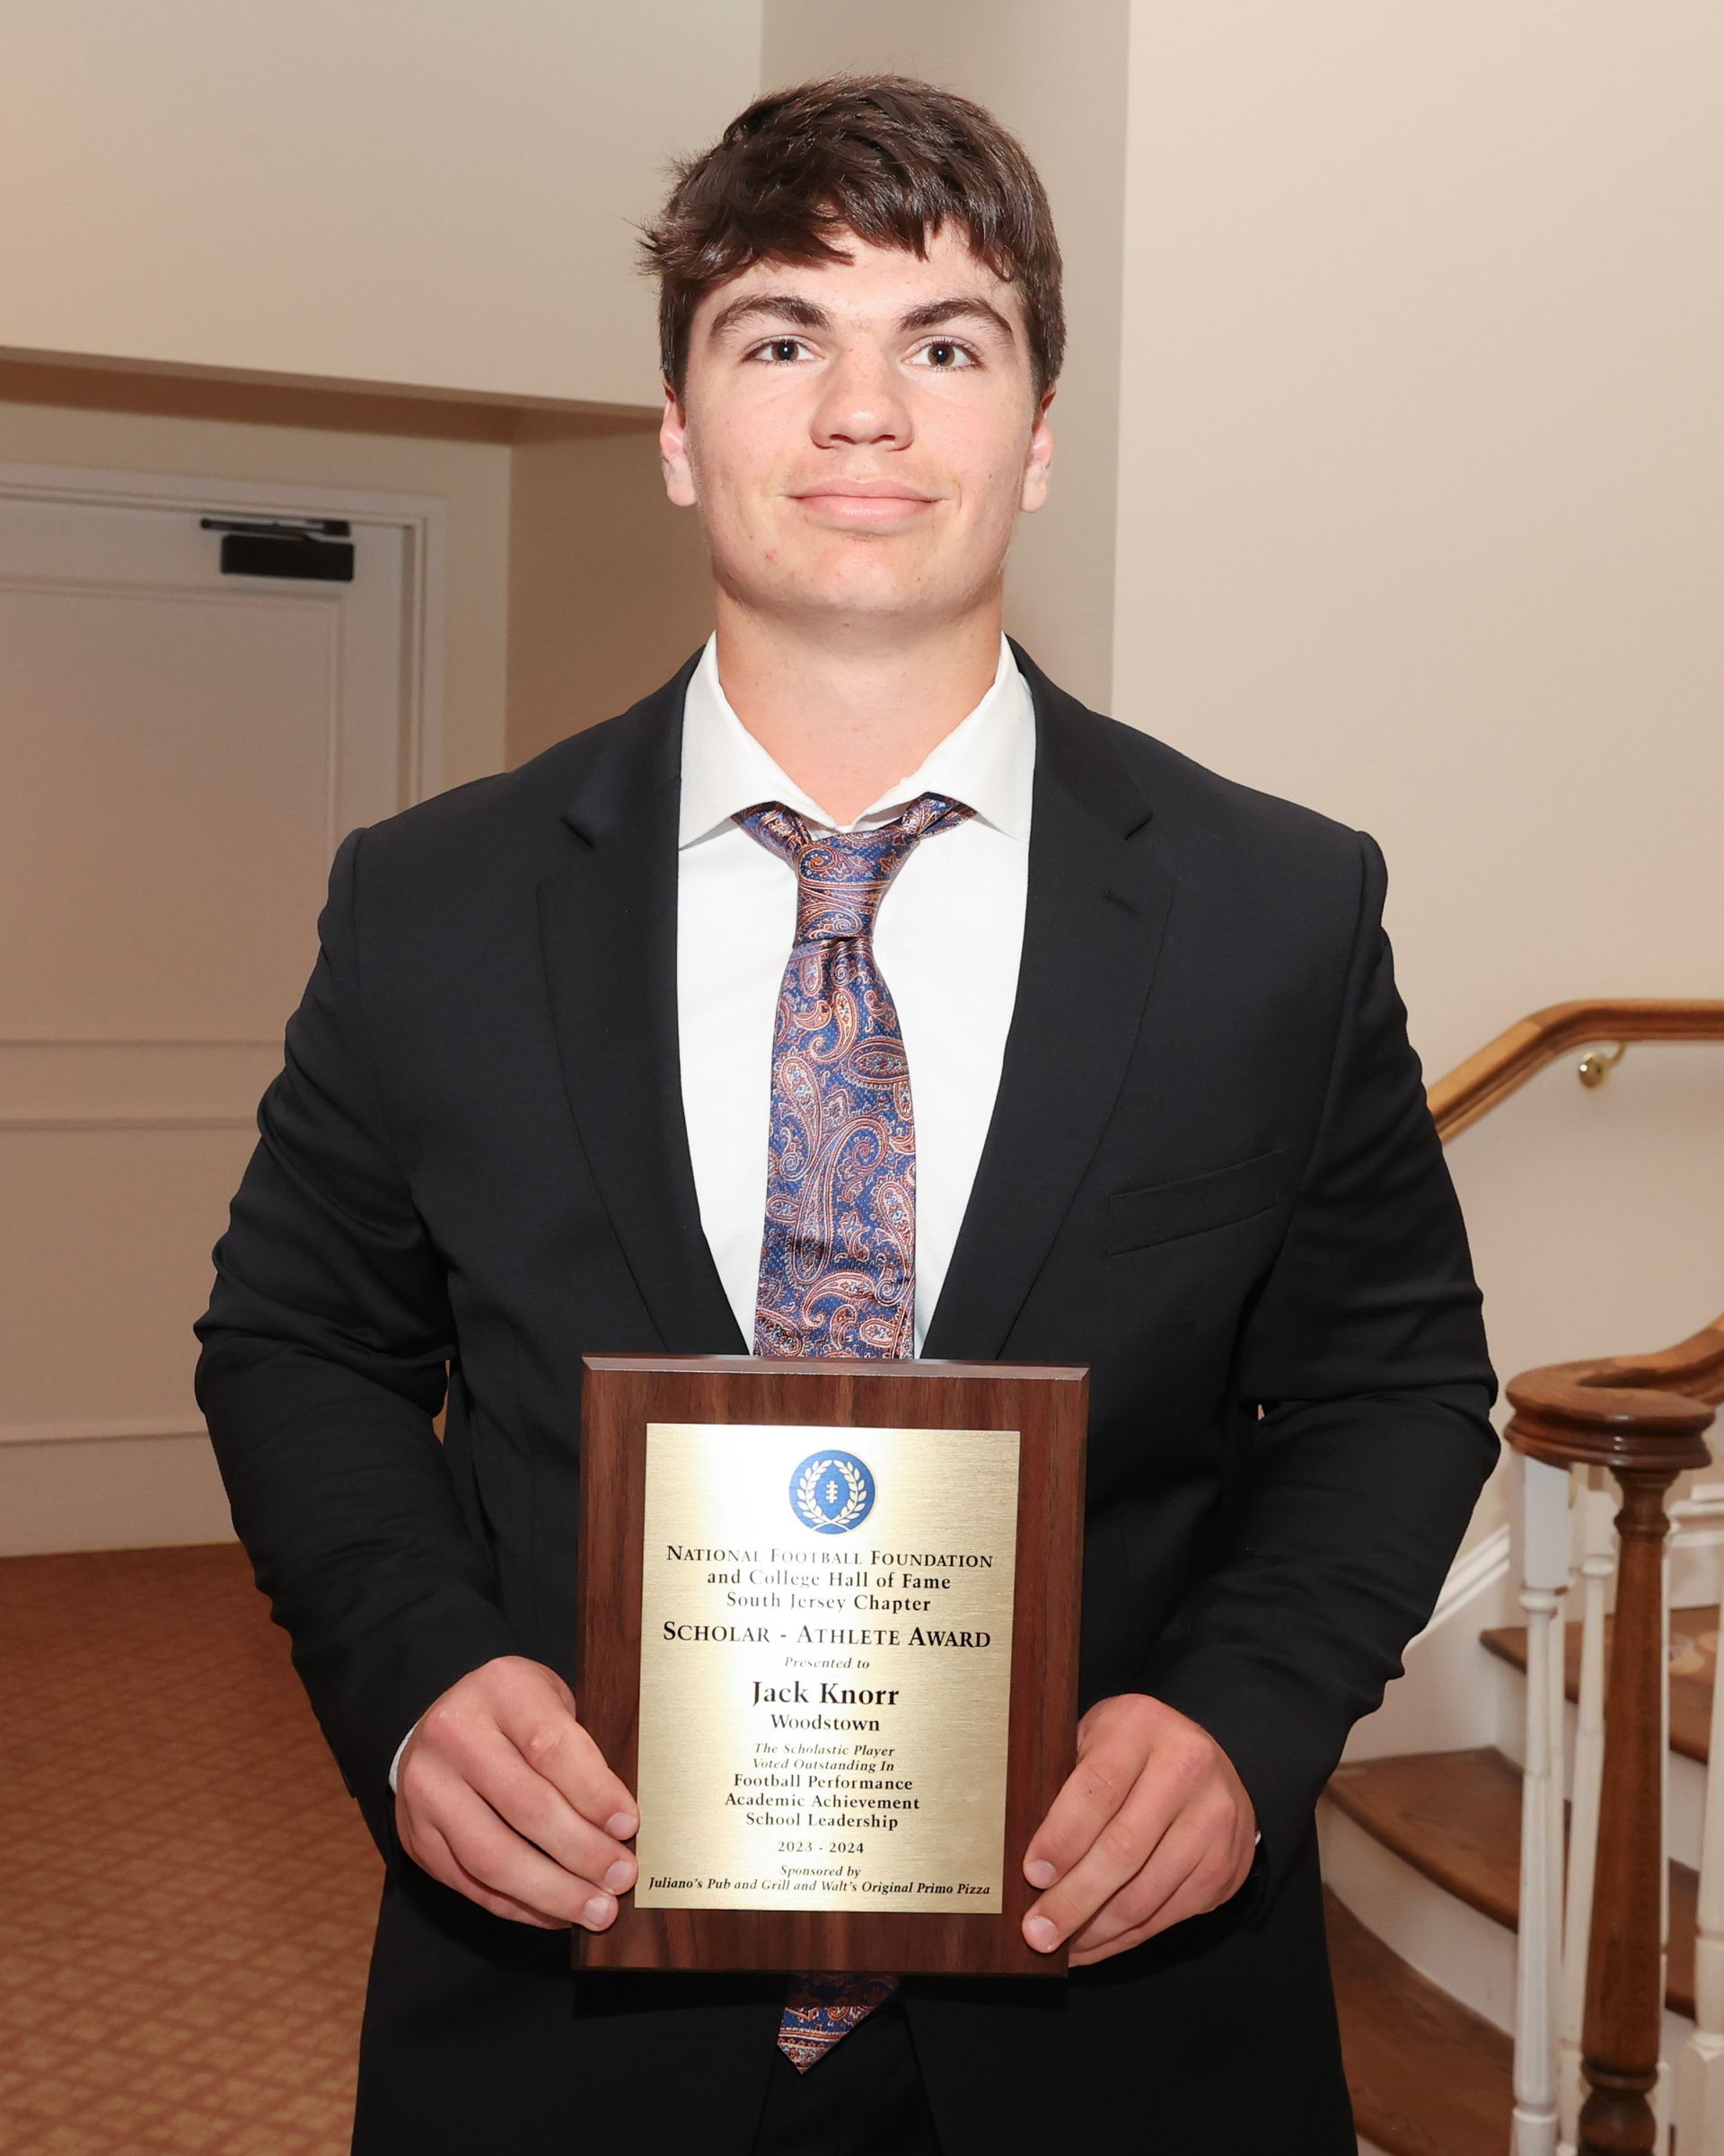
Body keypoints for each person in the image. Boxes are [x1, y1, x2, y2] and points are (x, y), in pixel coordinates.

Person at [193, 72, 1498, 2155]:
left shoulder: (1276, 907)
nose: (862, 412)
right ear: (680, 431)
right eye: (782, 336)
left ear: (1039, 435)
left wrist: (1239, 1725)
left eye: (947, 343)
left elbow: (1395, 1386)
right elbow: (297, 1342)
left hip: (1123, 2014)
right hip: (564, 2008)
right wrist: (419, 1669)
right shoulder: (431, 901)